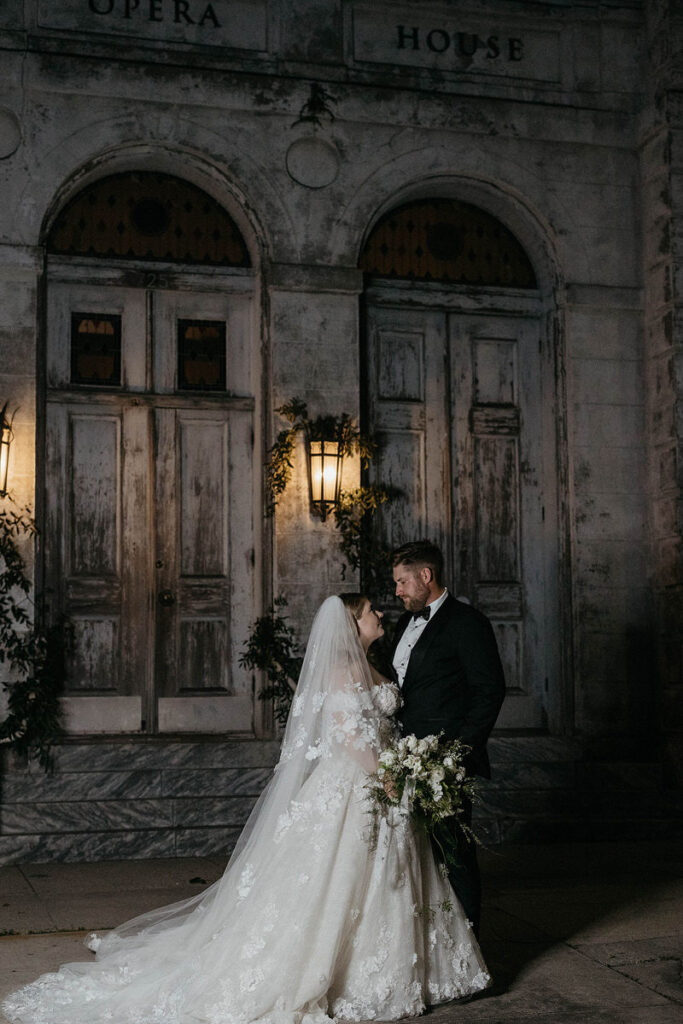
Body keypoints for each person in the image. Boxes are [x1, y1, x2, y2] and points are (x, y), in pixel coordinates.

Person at [3, 593, 490, 1024]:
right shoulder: (341, 672)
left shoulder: (371, 664)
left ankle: (402, 972)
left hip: (384, 784)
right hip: (358, 786)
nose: (379, 614)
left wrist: (401, 768)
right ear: (350, 624)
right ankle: (344, 974)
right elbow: (345, 737)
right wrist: (388, 773)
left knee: (390, 880)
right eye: (369, 612)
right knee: (337, 884)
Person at [391, 541, 506, 937]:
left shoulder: (468, 623)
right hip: (403, 758)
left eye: (403, 582)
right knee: (416, 858)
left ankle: (469, 945)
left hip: (444, 762)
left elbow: (488, 691)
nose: (398, 591)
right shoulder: (403, 623)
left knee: (453, 853)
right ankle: (431, 945)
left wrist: (456, 755)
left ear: (426, 576)